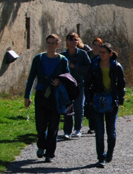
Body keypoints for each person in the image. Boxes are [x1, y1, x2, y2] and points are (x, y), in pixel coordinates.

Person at [24, 33, 70, 162]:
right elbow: (31, 77)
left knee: (53, 125)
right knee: (40, 124)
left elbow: (68, 78)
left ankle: (50, 153)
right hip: (41, 95)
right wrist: (27, 96)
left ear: (57, 45)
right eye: (49, 43)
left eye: (53, 43)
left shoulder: (62, 60)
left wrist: (60, 82)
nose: (50, 46)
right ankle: (41, 146)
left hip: (55, 96)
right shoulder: (38, 59)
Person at [86, 42, 126, 167]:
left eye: (104, 52)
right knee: (99, 131)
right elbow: (87, 83)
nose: (101, 54)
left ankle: (109, 154)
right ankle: (100, 157)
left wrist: (120, 99)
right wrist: (90, 100)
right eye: (100, 52)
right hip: (97, 99)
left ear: (109, 54)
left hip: (112, 101)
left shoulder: (116, 66)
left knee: (111, 131)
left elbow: (121, 84)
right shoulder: (94, 65)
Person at [62, 32, 91, 138]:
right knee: (68, 108)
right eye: (70, 39)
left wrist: (75, 66)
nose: (73, 42)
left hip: (79, 84)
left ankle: (78, 129)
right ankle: (67, 131)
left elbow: (88, 68)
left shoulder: (82, 54)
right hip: (67, 86)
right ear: (67, 41)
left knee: (79, 107)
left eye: (75, 39)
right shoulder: (63, 55)